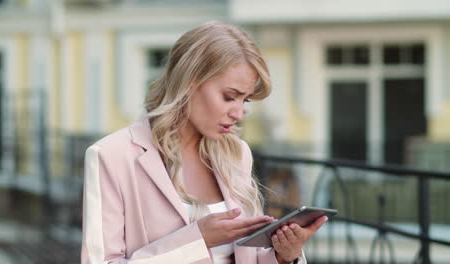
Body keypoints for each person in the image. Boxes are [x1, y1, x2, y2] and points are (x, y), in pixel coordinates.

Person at [81, 21, 328, 264]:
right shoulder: (112, 155)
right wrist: (196, 240)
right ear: (189, 82)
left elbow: (245, 257)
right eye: (229, 97)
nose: (239, 114)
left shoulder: (237, 153)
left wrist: (284, 255)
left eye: (245, 101)